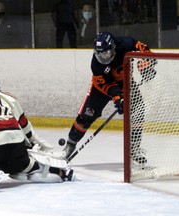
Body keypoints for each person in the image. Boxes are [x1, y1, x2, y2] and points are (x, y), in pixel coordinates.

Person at [62, 32, 157, 165]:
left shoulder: (126, 43)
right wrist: (117, 98)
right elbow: (105, 85)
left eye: (106, 53)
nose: (103, 57)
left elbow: (143, 48)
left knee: (138, 112)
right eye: (100, 54)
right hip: (100, 88)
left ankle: (134, 149)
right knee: (86, 117)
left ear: (113, 48)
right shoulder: (96, 65)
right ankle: (69, 146)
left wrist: (147, 63)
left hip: (126, 84)